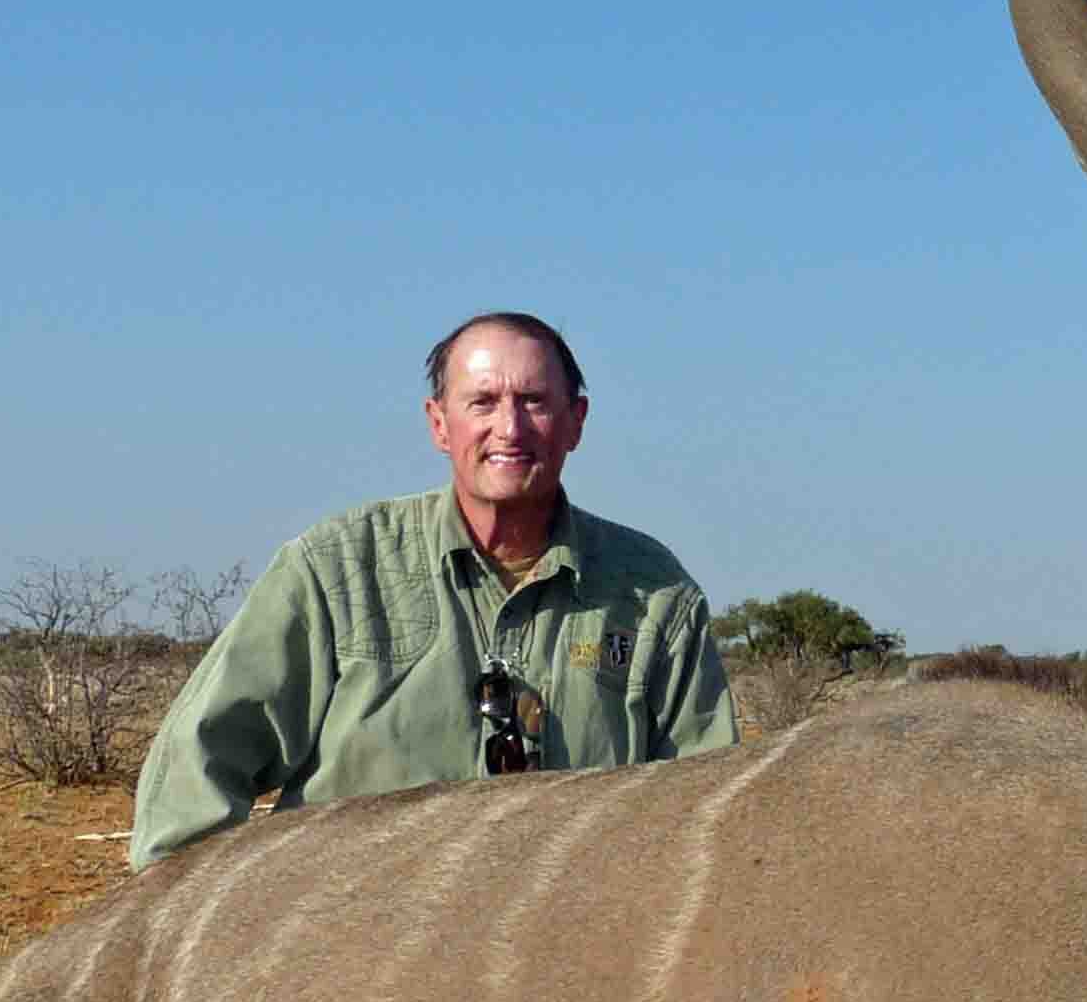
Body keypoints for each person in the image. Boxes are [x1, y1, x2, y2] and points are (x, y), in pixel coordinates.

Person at [129, 312, 737, 866]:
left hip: (568, 955)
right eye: (482, 402)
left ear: (575, 422)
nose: (510, 427)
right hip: (349, 953)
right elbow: (197, 772)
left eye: (534, 401)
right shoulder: (336, 568)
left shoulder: (656, 595)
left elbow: (705, 811)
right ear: (439, 424)